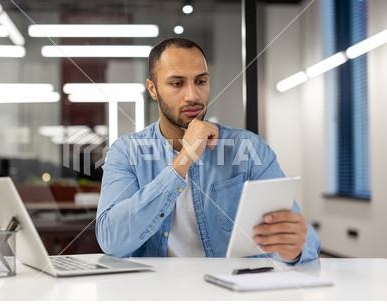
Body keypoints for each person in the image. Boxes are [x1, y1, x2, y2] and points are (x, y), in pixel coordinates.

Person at [96, 38, 320, 264]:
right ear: (153, 89)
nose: (193, 95)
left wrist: (293, 250)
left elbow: (305, 240)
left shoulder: (249, 148)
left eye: (201, 81)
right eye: (177, 83)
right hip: (157, 294)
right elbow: (111, 241)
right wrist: (184, 158)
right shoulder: (126, 152)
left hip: (231, 294)